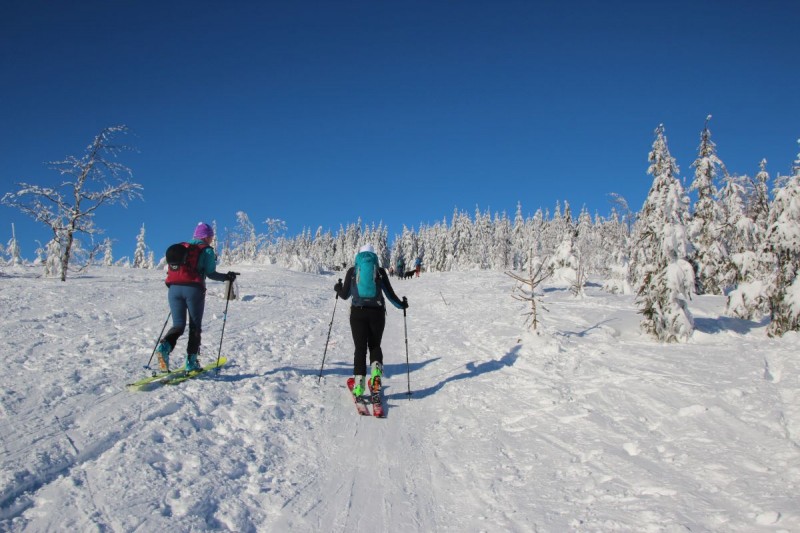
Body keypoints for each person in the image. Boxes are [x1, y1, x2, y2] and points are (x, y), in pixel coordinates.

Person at [155, 222, 237, 372]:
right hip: (193, 290)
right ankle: (191, 362)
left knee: (178, 325)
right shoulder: (206, 251)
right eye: (211, 236)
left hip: (173, 290)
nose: (212, 239)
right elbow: (211, 273)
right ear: (206, 237)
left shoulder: (183, 247)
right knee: (195, 327)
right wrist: (227, 277)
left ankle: (164, 347)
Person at [334, 244, 408, 398]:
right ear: (375, 256)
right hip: (377, 314)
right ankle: (375, 380)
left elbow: (344, 295)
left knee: (360, 349)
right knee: (375, 346)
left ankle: (359, 385)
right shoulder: (380, 272)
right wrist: (402, 305)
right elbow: (390, 294)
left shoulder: (353, 271)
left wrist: (338, 287)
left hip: (357, 314)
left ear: (359, 256)